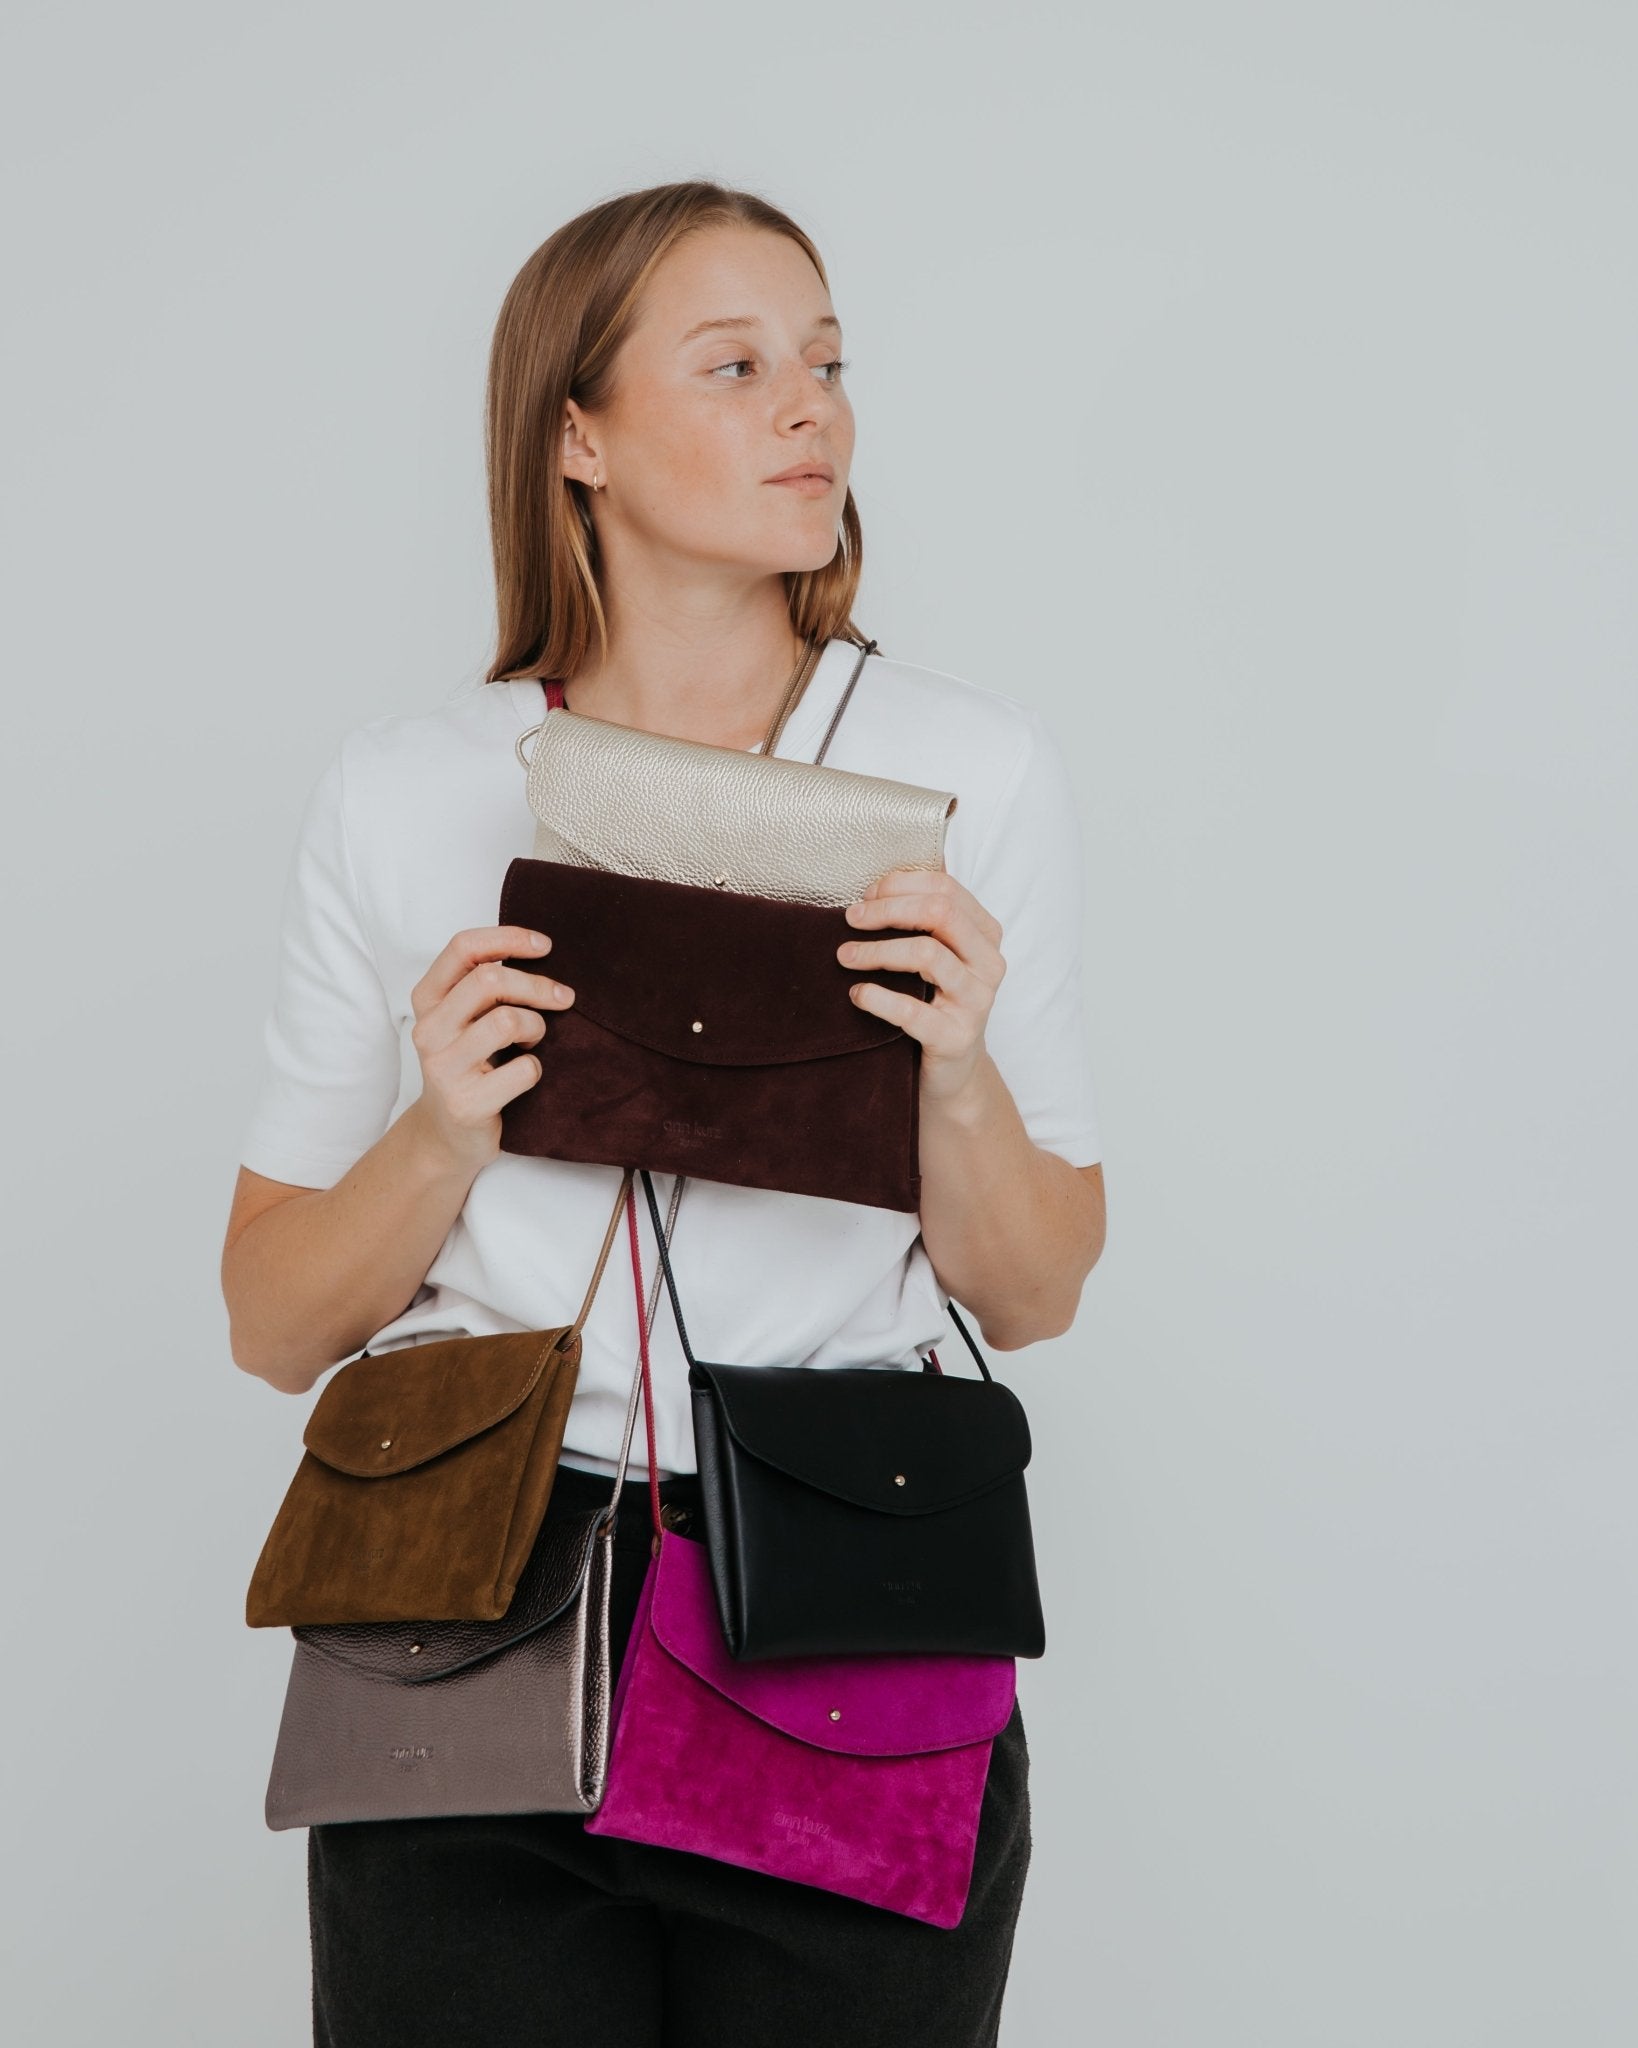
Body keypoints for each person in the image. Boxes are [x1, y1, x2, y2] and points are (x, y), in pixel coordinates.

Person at [222, 179, 1108, 2048]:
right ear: (578, 434)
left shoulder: (967, 769)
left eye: (828, 362)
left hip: (844, 1604)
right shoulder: (403, 791)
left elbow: (1033, 1295)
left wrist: (956, 1068)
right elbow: (273, 1317)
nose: (813, 409)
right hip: (469, 1597)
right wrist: (444, 1126)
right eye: (735, 365)